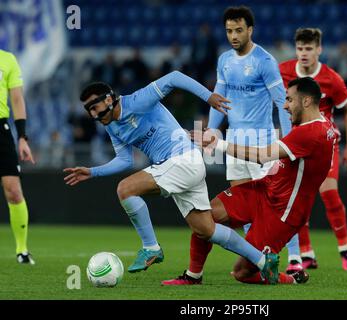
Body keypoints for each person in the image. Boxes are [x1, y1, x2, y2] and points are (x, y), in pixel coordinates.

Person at [63, 70, 279, 283]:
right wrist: (92, 172)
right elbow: (125, 160)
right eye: (88, 110)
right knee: (206, 230)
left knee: (125, 189)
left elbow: (174, 77)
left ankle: (151, 248)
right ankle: (262, 261)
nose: (92, 114)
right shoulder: (113, 127)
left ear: (109, 99)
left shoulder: (137, 101)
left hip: (182, 160)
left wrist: (208, 96)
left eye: (94, 107)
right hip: (181, 165)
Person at [162, 77, 335, 285]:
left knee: (242, 273)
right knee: (205, 215)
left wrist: (217, 144)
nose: (285, 106)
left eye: (289, 100)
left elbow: (262, 155)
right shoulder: (322, 124)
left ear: (306, 101)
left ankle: (291, 279)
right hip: (264, 189)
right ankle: (193, 276)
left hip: (283, 212)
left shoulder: (311, 132)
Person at [279, 28, 347, 272]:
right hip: (296, 144)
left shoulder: (331, 79)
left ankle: (345, 251)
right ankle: (306, 253)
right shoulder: (283, 71)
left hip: (325, 143)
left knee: (329, 193)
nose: (304, 53)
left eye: (309, 48)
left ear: (319, 50)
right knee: (298, 199)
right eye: (300, 48)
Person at [208, 6, 291, 188]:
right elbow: (218, 97)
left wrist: (289, 142)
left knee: (264, 208)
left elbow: (282, 102)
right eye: (229, 31)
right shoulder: (224, 60)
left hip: (261, 144)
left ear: (250, 30)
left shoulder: (265, 61)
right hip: (234, 143)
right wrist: (211, 129)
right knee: (239, 209)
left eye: (239, 30)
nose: (234, 36)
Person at [0, 49, 36, 264]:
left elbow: (16, 98)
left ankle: (22, 250)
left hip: (1, 130)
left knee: (13, 191)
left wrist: (22, 136)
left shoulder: (7, 59)